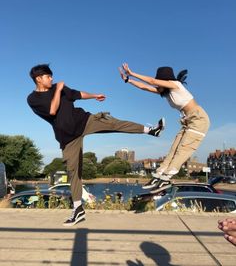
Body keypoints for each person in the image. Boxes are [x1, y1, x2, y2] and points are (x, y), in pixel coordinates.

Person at [27, 64, 165, 226]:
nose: (52, 79)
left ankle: (151, 130)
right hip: (67, 136)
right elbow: (52, 110)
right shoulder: (33, 99)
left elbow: (78, 94)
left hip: (84, 121)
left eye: (51, 76)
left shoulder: (61, 88)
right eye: (48, 77)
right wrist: (57, 91)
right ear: (39, 79)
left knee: (113, 123)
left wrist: (94, 96)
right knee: (73, 171)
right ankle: (78, 210)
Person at [119, 63, 210, 192]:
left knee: (183, 149)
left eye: (159, 83)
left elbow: (150, 81)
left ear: (165, 81)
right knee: (174, 148)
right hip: (187, 121)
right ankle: (160, 174)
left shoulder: (175, 85)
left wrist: (132, 73)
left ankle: (167, 178)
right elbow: (145, 87)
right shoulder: (166, 92)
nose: (156, 85)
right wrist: (128, 80)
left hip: (199, 119)